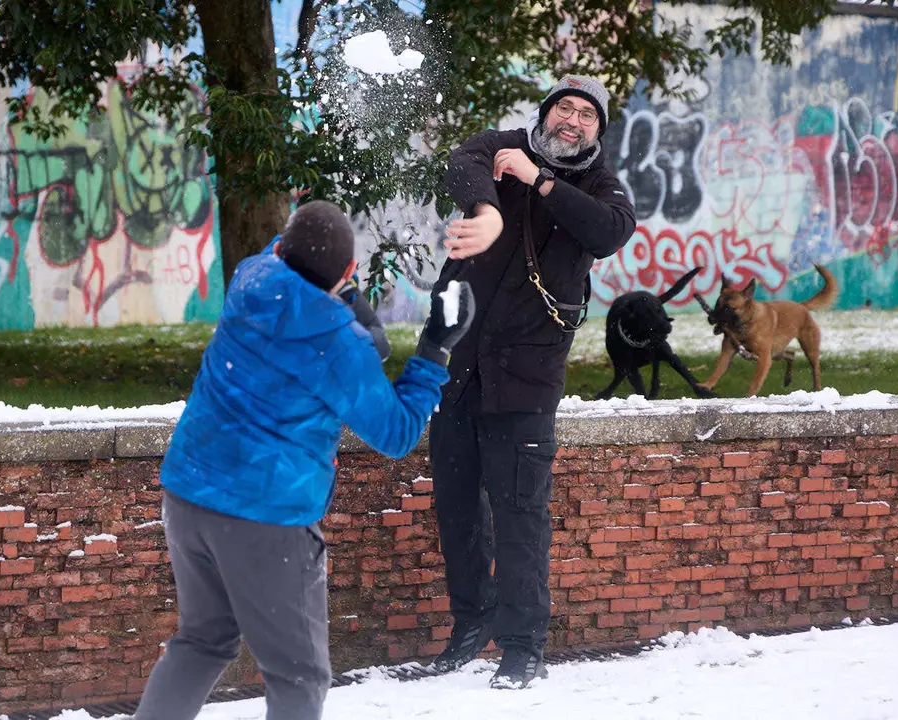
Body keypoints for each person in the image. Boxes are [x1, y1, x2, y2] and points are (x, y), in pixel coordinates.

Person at [133, 200, 476, 720]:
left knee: (202, 641)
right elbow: (397, 432)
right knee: (299, 677)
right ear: (345, 273)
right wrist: (436, 346)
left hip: (188, 495)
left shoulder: (252, 277)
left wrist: (348, 305)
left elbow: (292, 269)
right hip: (266, 519)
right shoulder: (338, 346)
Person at [427, 75, 637, 688]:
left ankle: (523, 646)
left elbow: (610, 230)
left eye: (586, 115)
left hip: (527, 377)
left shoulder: (600, 185)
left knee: (521, 516)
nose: (572, 121)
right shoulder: (504, 146)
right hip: (460, 368)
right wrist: (490, 207)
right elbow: (458, 159)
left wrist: (538, 180)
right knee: (457, 507)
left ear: (599, 129)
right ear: (544, 114)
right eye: (563, 109)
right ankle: (472, 620)